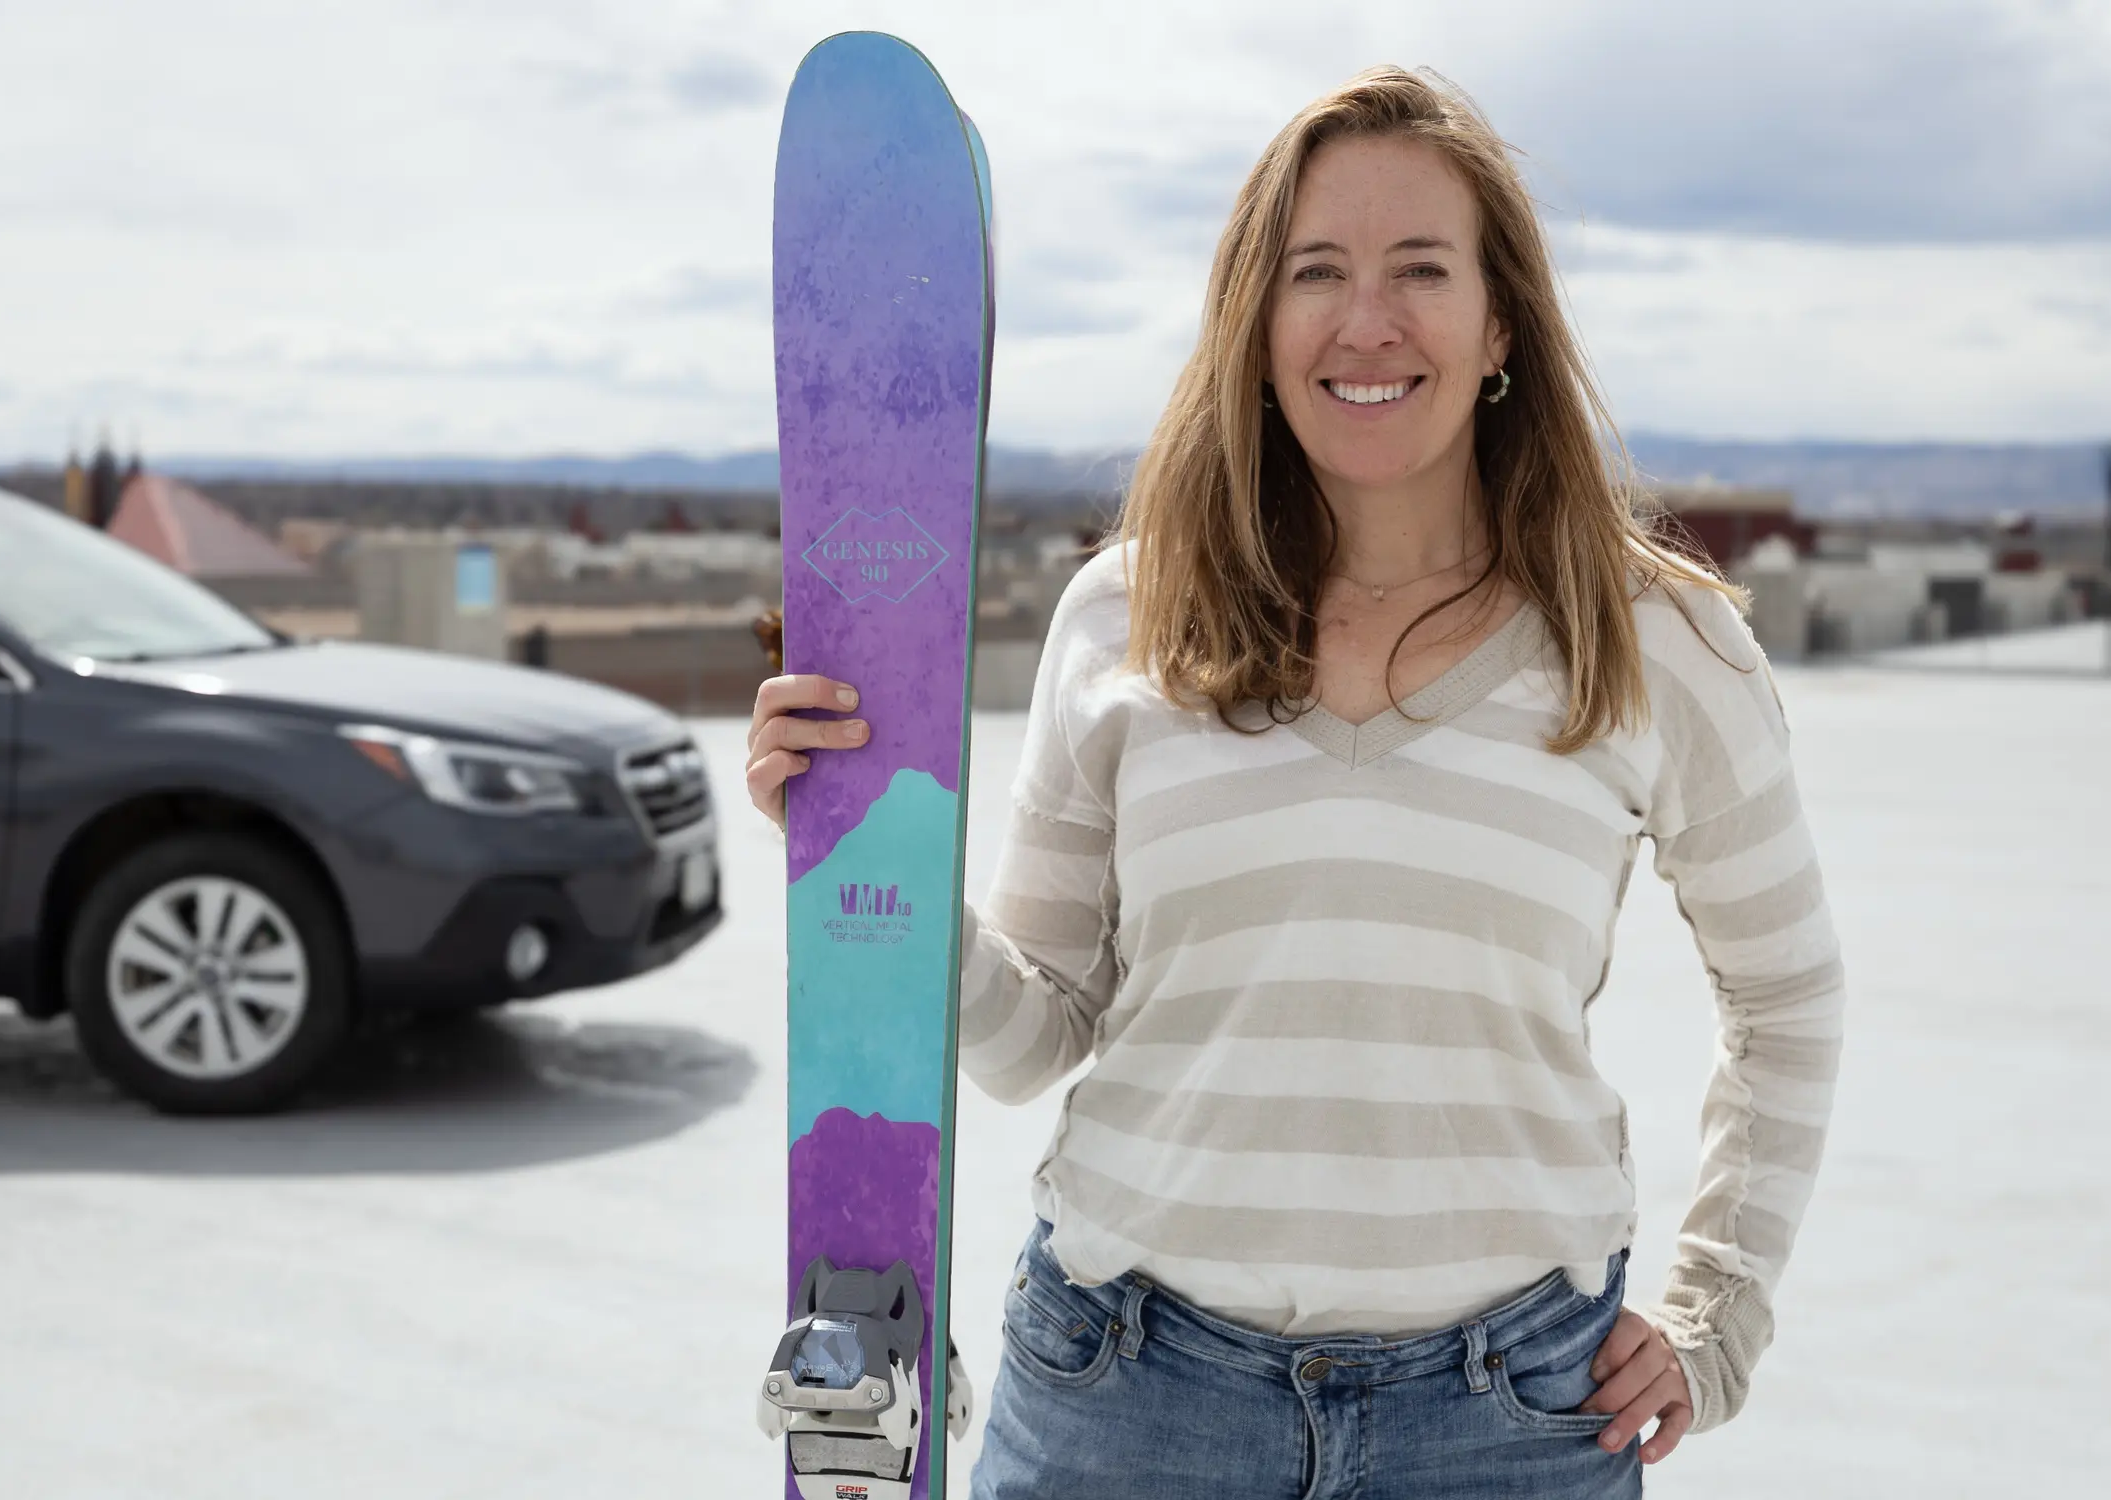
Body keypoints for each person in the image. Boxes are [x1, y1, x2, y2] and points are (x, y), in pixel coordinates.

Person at [747, 65, 1844, 1500]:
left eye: (1420, 270)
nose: (1365, 320)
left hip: (1500, 1425)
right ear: (1255, 326)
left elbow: (1786, 995)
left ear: (1499, 319)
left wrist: (1712, 1316)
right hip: (1123, 1401)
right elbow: (1033, 1037)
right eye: (1313, 270)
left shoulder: (1649, 638)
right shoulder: (1127, 614)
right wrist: (867, 856)